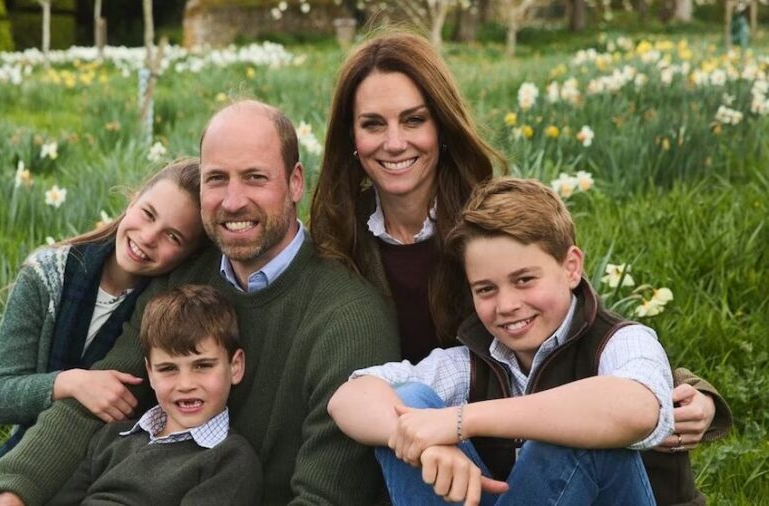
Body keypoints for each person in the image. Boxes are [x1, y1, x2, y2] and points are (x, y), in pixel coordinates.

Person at [308, 31, 730, 453]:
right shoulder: (337, 235)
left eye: (414, 120)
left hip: (501, 435)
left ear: (442, 126)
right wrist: (420, 435)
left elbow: (577, 324)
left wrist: (688, 391)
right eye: (373, 124)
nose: (395, 142)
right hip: (390, 427)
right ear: (351, 136)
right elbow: (343, 380)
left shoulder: (486, 223)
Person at [0, 100, 400, 506]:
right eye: (216, 179)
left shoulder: (348, 318)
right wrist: (12, 493)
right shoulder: (185, 276)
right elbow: (99, 400)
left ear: (295, 182)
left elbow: (324, 497)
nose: (233, 201)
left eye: (255, 177)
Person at [328, 177, 702, 505]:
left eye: (524, 280)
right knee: (408, 402)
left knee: (571, 429)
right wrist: (421, 441)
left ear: (571, 267)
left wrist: (460, 422)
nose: (506, 305)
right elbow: (349, 397)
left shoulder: (622, 341)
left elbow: (637, 409)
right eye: (486, 289)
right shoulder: (472, 362)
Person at [0, 159, 205, 505]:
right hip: (38, 445)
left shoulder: (165, 305)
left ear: (187, 255)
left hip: (112, 455)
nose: (147, 237)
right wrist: (71, 383)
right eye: (148, 214)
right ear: (133, 201)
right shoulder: (47, 275)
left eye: (173, 236)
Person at [47, 284, 262, 505]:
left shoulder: (230, 460)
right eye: (168, 369)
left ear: (235, 367)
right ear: (150, 373)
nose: (185, 384)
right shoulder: (111, 436)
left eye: (203, 366)